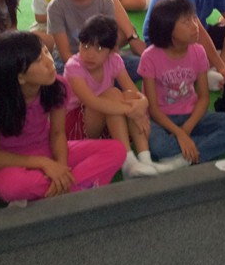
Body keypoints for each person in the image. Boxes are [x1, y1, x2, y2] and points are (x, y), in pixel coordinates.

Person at [0, 31, 125, 205]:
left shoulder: (57, 86)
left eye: (46, 52)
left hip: (48, 150)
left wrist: (61, 168)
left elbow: (58, 134)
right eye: (39, 60)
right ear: (20, 77)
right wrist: (43, 163)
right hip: (10, 162)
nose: (49, 62)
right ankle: (76, 189)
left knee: (116, 150)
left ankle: (60, 190)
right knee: (11, 186)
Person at [140, 0, 225, 167]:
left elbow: (204, 98)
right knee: (159, 146)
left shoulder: (198, 51)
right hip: (161, 119)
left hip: (193, 115)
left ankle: (183, 158)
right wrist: (180, 134)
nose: (195, 26)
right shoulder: (150, 57)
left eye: (193, 19)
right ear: (167, 28)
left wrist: (186, 129)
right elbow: (152, 109)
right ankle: (217, 143)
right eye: (186, 22)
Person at [64, 16, 166, 179]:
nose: (90, 54)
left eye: (99, 49)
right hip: (76, 126)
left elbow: (134, 91)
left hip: (108, 117)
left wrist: (141, 103)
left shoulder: (114, 60)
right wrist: (133, 110)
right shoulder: (73, 66)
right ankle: (128, 162)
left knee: (128, 96)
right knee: (113, 94)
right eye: (86, 46)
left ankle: (145, 158)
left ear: (112, 51)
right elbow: (92, 101)